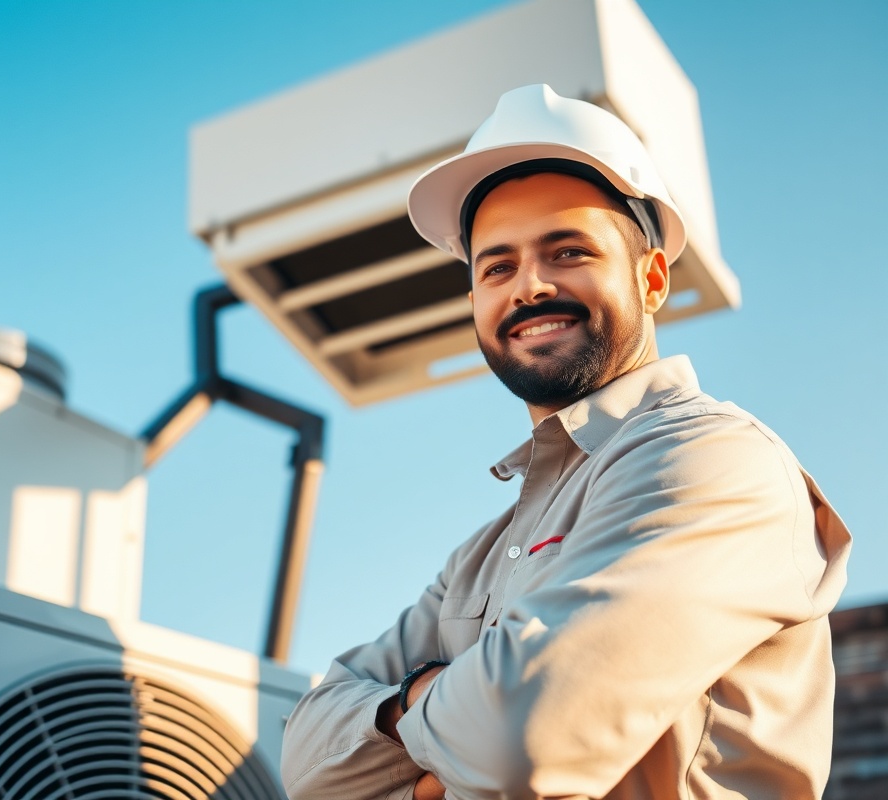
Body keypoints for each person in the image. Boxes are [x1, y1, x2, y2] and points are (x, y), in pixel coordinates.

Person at [279, 84, 852, 799]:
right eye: (497, 267)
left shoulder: (713, 463)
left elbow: (522, 740)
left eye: (568, 250)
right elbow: (305, 764)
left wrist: (407, 729)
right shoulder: (479, 559)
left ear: (649, 280)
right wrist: (445, 713)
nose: (529, 286)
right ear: (475, 304)